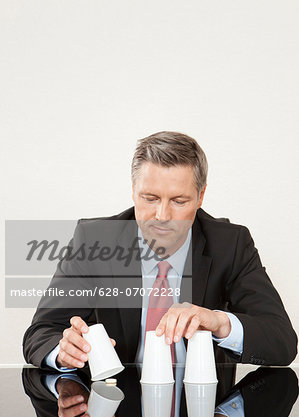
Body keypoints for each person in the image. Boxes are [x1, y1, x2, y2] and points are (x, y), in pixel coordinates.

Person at [23, 131, 297, 371]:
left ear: (200, 197)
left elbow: (282, 342)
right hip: (115, 411)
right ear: (133, 191)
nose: (162, 215)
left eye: (179, 201)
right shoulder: (93, 241)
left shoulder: (231, 244)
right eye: (150, 198)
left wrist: (219, 322)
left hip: (202, 414)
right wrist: (62, 352)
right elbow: (41, 332)